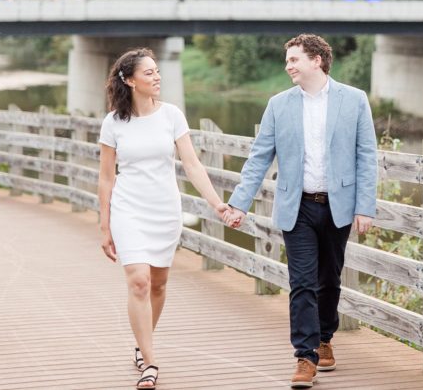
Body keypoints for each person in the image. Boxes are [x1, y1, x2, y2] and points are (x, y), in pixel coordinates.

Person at [224, 34, 378, 389]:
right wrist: (239, 203)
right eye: (288, 60)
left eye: (294, 59)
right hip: (298, 207)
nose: (288, 65)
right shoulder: (279, 104)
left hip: (338, 206)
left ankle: (325, 338)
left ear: (317, 60)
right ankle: (305, 356)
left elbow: (367, 156)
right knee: (302, 283)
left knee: (330, 280)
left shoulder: (354, 100)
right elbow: (259, 157)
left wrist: (365, 206)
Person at [98, 47, 229, 390]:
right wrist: (105, 224)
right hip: (128, 208)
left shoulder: (172, 115)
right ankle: (151, 363)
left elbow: (193, 164)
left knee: (157, 284)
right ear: (129, 80)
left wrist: (217, 204)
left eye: (157, 71)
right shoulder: (113, 123)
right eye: (149, 73)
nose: (157, 77)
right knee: (138, 281)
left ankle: (142, 345)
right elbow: (106, 177)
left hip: (164, 209)